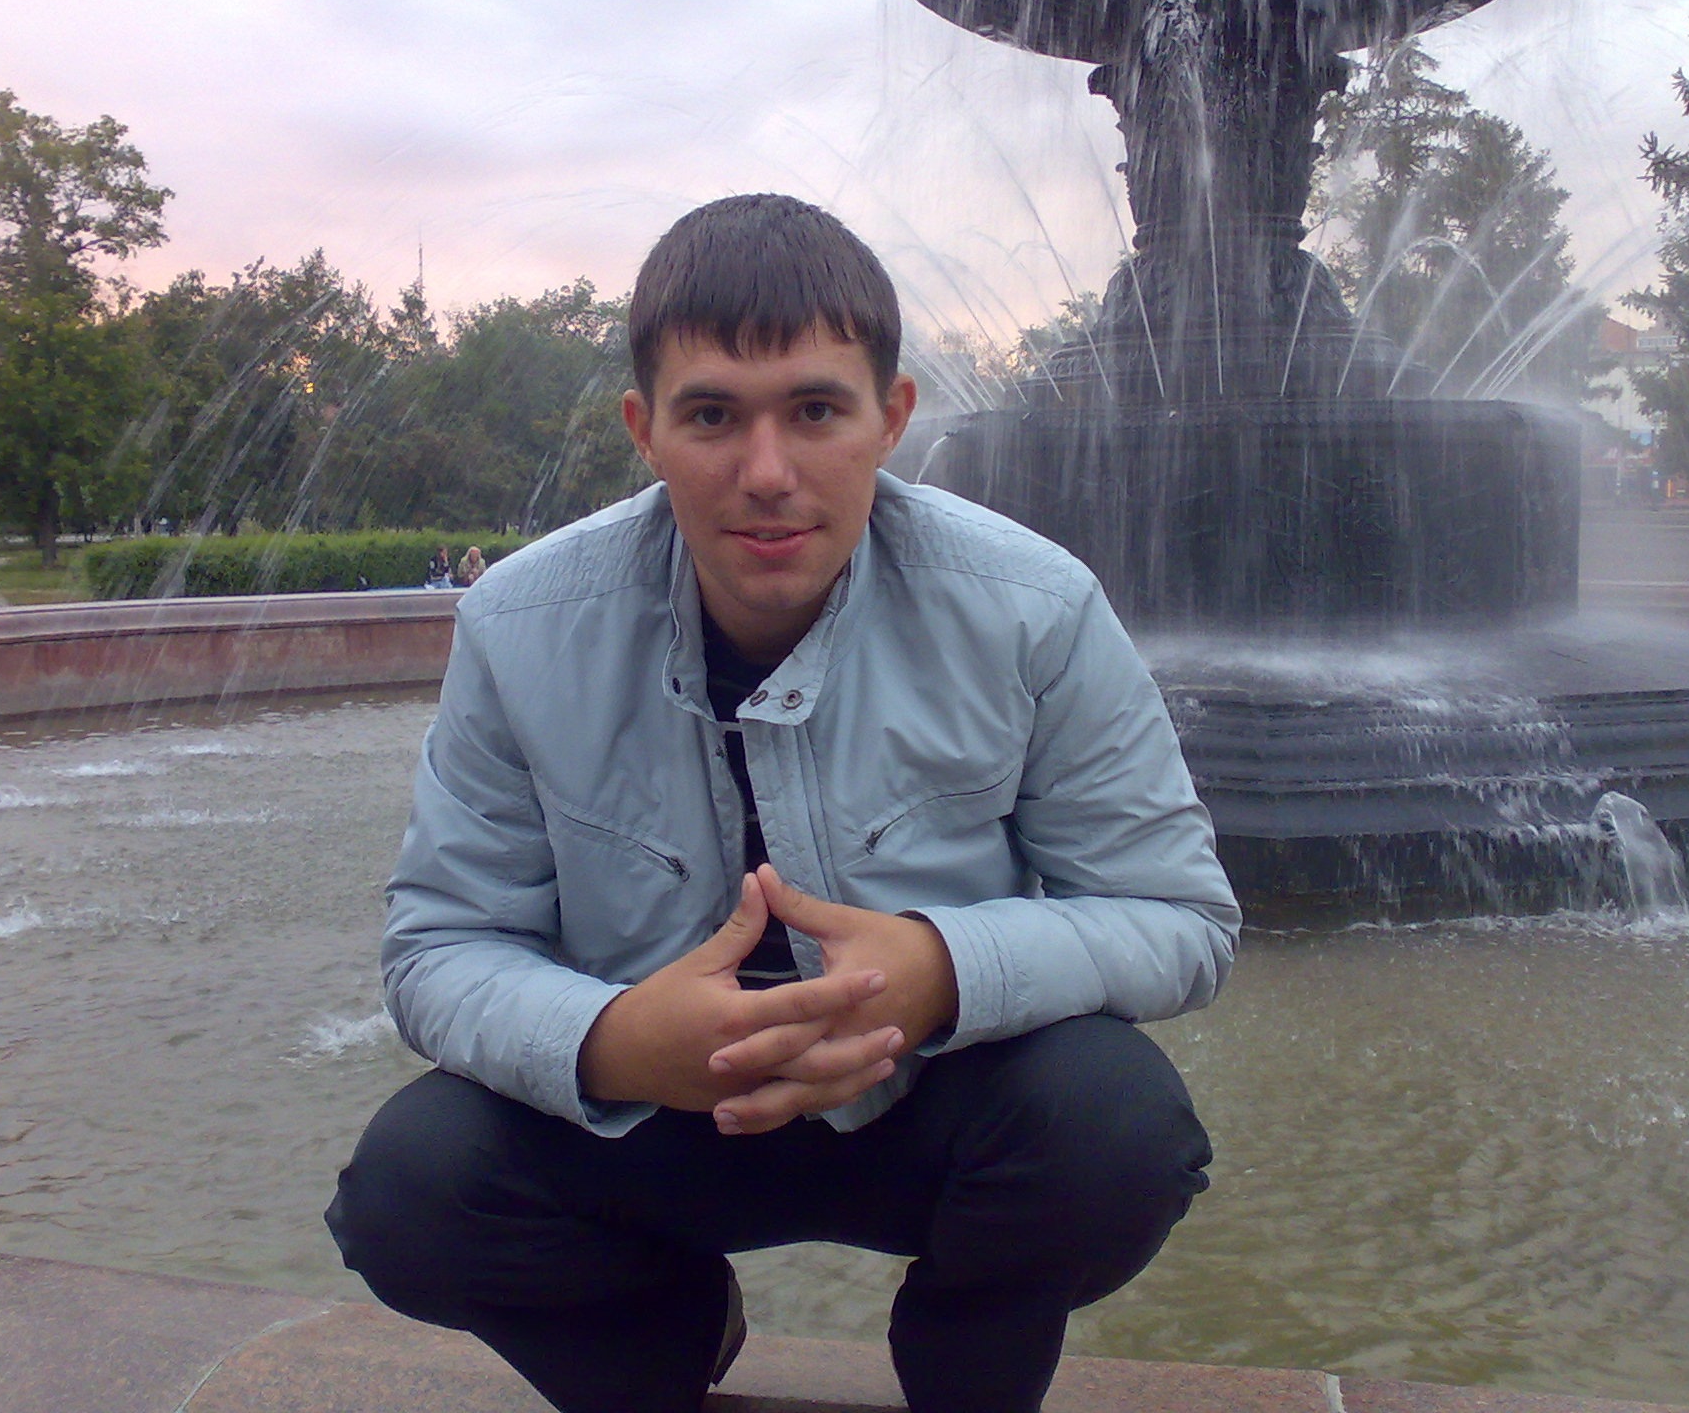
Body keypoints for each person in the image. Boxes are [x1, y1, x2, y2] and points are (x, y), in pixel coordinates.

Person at [325, 194, 1239, 1413]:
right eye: (712, 416)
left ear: (890, 418)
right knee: (409, 1192)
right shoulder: (518, 625)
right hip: (651, 1114)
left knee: (1114, 1128)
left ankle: (965, 1362)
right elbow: (438, 948)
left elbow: (1179, 919)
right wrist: (613, 1041)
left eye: (814, 410)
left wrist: (940, 970)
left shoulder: (1035, 607)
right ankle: (663, 1337)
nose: (766, 475)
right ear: (645, 431)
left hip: (930, 1095)